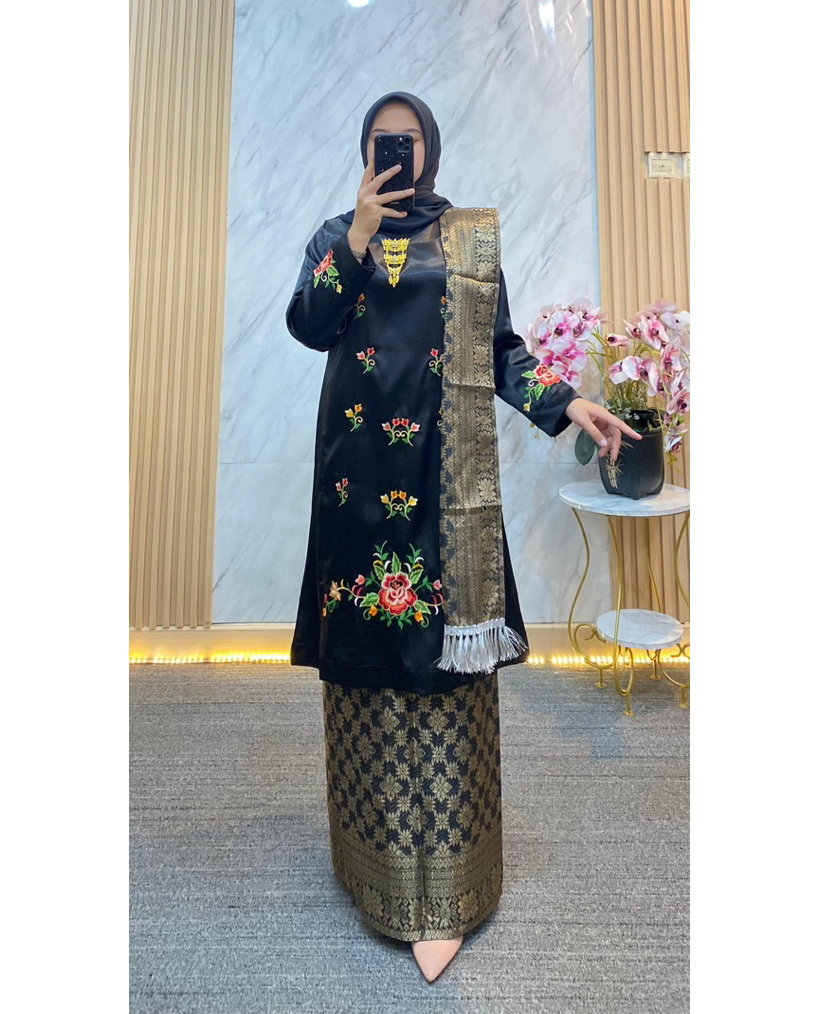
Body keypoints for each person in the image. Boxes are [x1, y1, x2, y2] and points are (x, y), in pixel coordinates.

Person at [285, 91, 640, 983]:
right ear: (365, 151)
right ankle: (373, 869)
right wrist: (358, 237)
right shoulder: (337, 236)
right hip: (359, 484)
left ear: (431, 149)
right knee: (371, 659)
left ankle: (448, 887)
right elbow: (308, 325)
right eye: (381, 141)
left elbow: (503, 352)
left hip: (447, 487)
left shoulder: (470, 240)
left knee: (446, 664)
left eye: (406, 141)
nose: (395, 153)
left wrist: (569, 404)